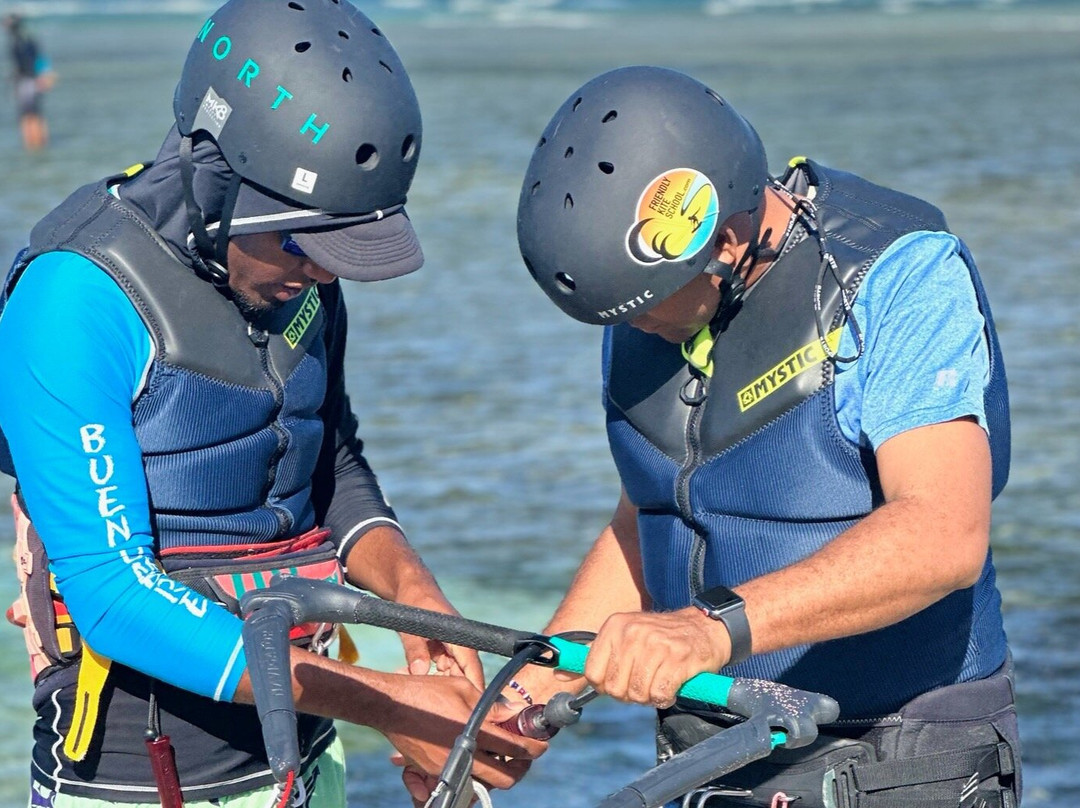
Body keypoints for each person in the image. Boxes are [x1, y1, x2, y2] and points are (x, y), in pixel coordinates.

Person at [0, 1, 543, 806]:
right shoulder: (73, 300)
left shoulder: (300, 280)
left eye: (341, 248)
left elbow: (329, 460)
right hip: (140, 782)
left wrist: (419, 604)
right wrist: (393, 706)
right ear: (216, 178)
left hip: (307, 758)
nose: (324, 272)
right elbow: (111, 595)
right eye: (304, 243)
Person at [511, 66, 1020, 808]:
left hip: (894, 752)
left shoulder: (900, 276)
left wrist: (707, 630)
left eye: (641, 306)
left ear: (723, 242)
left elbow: (944, 533)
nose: (630, 327)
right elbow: (653, 514)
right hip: (714, 748)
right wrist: (528, 698)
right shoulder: (652, 297)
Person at [3, 12, 55, 151]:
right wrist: (45, 75)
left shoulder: (19, 41)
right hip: (30, 79)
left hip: (27, 81)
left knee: (28, 115)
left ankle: (33, 146)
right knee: (35, 114)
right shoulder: (26, 39)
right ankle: (39, 146)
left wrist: (43, 76)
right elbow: (40, 58)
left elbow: (34, 60)